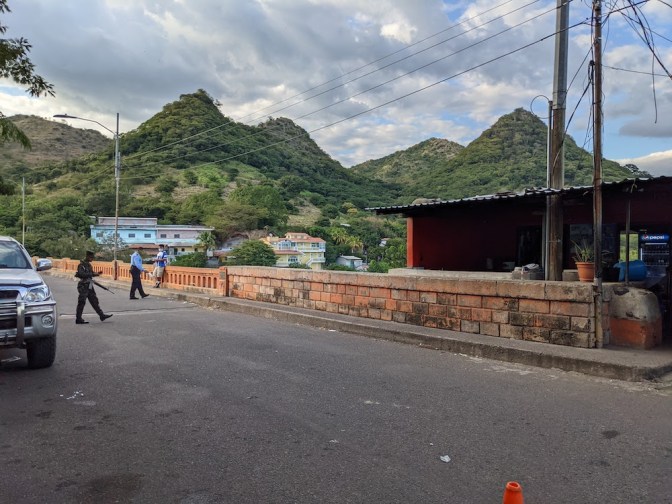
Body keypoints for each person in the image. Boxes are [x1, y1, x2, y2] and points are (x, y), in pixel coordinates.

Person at [75, 250, 112, 324]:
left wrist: (97, 273)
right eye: (91, 257)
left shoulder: (89, 265)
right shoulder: (81, 265)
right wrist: (91, 274)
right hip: (83, 285)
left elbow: (91, 273)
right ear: (87, 257)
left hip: (89, 284)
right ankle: (78, 319)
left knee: (94, 300)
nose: (92, 259)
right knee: (81, 302)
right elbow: (81, 274)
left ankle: (101, 315)